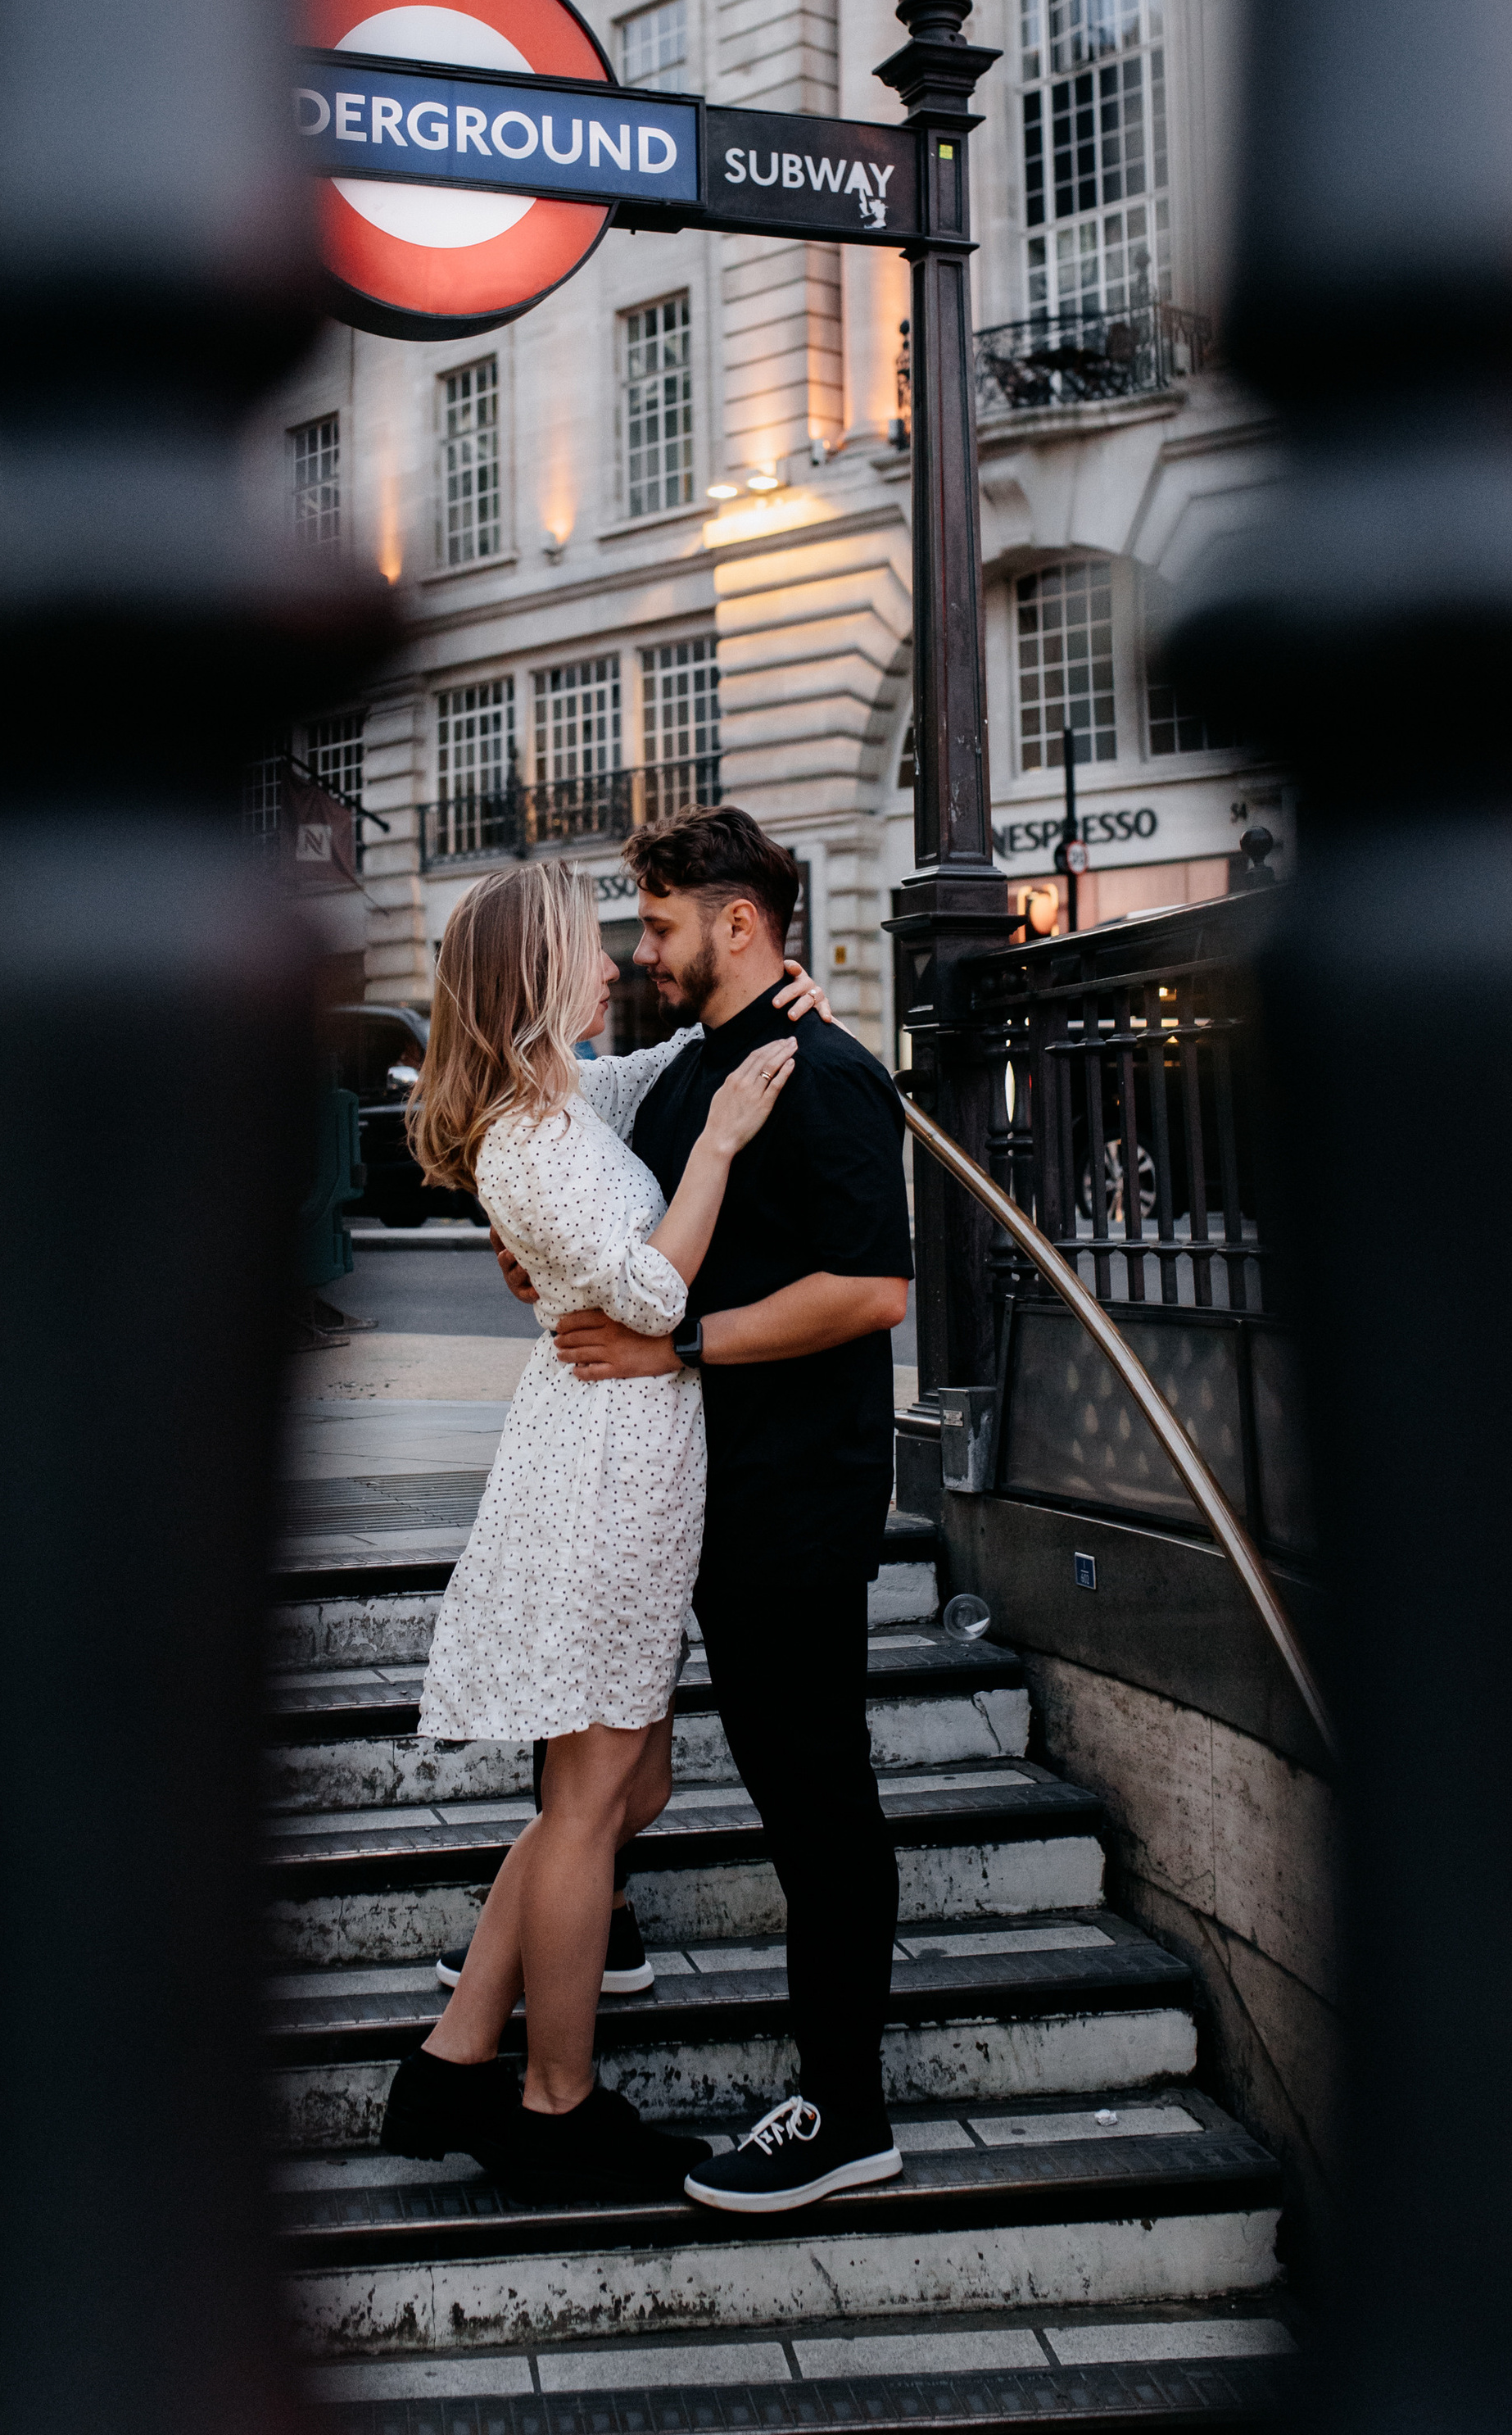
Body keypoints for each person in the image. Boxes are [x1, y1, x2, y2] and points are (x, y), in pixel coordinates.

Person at [377, 856, 830, 2207]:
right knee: (590, 1802)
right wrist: (721, 1146)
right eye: (589, 947)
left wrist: (752, 1015)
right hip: (600, 1480)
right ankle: (553, 2102)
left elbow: (655, 1073)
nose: (615, 964)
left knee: (632, 1789)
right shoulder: (524, 1138)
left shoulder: (567, 1098)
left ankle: (457, 2053)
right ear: (534, 978)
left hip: (631, 1468)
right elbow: (647, 1290)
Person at [527, 805, 915, 2215]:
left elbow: (872, 1291)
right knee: (612, 1744)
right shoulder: (703, 1063)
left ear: (737, 920)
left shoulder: (824, 1073)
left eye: (663, 925)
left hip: (789, 1500)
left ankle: (845, 2109)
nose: (646, 951)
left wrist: (678, 1346)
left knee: (814, 1796)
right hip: (692, 1484)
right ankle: (590, 1927)